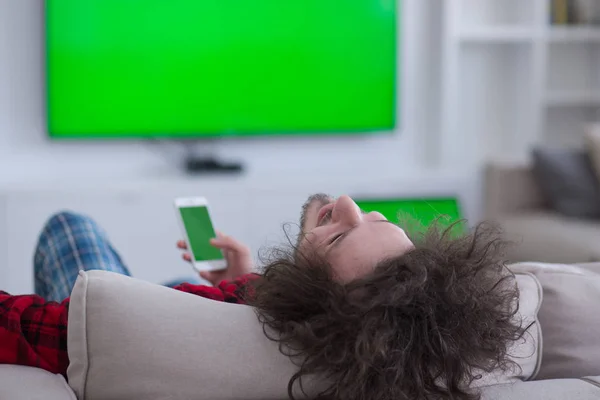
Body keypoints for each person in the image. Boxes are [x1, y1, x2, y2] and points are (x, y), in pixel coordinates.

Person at [0, 194, 526, 400]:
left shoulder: (197, 318)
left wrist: (225, 291)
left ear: (313, 304)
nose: (346, 202)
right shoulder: (273, 312)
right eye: (375, 218)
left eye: (341, 235)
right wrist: (244, 276)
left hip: (112, 306)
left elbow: (25, 324)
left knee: (71, 226)